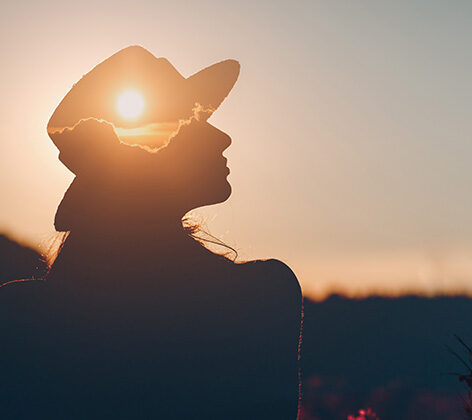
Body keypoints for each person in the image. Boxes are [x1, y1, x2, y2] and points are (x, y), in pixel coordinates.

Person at [0, 46, 302, 419]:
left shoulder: (21, 316)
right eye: (193, 122)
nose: (223, 137)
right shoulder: (261, 294)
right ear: (150, 157)